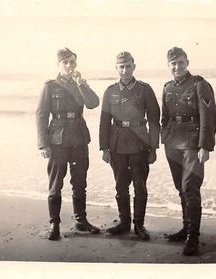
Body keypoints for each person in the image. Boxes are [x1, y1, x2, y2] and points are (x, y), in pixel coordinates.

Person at [36, 48, 100, 240]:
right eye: (65, 62)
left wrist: (82, 85)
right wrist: (43, 144)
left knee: (80, 181)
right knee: (56, 183)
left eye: (72, 62)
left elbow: (93, 103)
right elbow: (41, 115)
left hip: (79, 139)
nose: (69, 66)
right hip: (57, 140)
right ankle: (54, 224)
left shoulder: (79, 84)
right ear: (58, 65)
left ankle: (81, 220)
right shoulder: (50, 86)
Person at [161, 47, 216, 255]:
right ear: (168, 66)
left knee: (190, 188)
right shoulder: (166, 87)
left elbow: (208, 116)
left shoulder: (199, 85)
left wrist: (205, 146)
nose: (177, 67)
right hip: (173, 145)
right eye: (173, 63)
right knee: (180, 187)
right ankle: (186, 228)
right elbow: (165, 116)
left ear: (187, 62)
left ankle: (193, 238)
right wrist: (164, 137)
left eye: (181, 62)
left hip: (193, 145)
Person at [99, 51, 160, 240]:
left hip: (140, 143)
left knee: (140, 186)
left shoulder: (145, 89)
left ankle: (139, 225)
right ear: (116, 68)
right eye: (121, 66)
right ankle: (124, 223)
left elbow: (154, 120)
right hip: (117, 145)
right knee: (120, 185)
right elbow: (104, 121)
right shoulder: (110, 91)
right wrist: (104, 148)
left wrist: (153, 148)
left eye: (128, 66)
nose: (125, 70)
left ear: (134, 66)